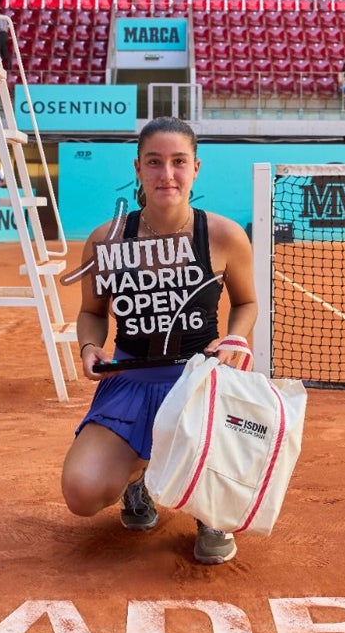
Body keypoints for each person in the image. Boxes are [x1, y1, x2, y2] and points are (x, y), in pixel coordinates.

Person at [61, 116, 258, 565]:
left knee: (212, 449)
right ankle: (140, 479)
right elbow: (92, 313)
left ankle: (212, 511)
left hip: (199, 385)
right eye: (154, 162)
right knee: (82, 491)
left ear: (195, 168)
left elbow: (246, 305)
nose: (166, 174)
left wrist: (234, 340)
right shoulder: (106, 240)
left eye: (178, 162)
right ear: (137, 168)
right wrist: (90, 347)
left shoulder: (224, 235)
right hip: (131, 381)